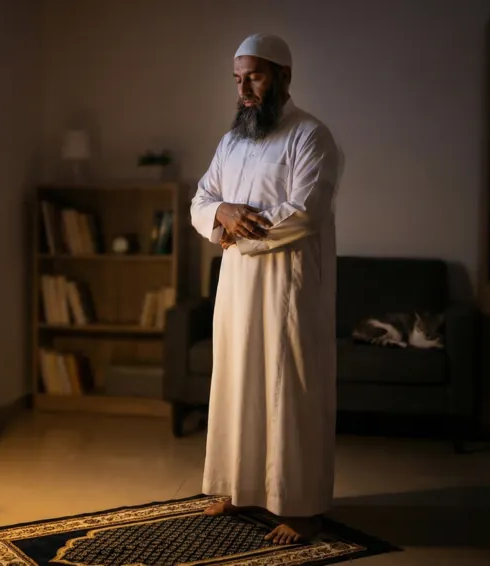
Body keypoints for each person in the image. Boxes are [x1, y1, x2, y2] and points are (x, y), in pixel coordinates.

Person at [191, 32, 343, 545]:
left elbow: (305, 212)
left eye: (253, 76)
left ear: (283, 76)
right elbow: (202, 199)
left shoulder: (311, 136)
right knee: (237, 384)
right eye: (237, 79)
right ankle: (238, 488)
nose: (244, 89)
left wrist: (235, 229)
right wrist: (221, 212)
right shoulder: (231, 142)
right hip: (237, 286)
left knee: (287, 392)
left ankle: (301, 508)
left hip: (288, 289)